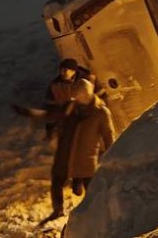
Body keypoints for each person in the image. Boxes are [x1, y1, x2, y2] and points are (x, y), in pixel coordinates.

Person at [43, 79, 114, 222]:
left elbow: (108, 135)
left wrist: (111, 155)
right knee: (57, 180)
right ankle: (58, 210)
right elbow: (61, 121)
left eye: (78, 96)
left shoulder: (100, 113)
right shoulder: (72, 107)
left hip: (85, 156)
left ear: (86, 94)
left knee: (91, 188)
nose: (75, 98)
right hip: (65, 152)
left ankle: (100, 215)